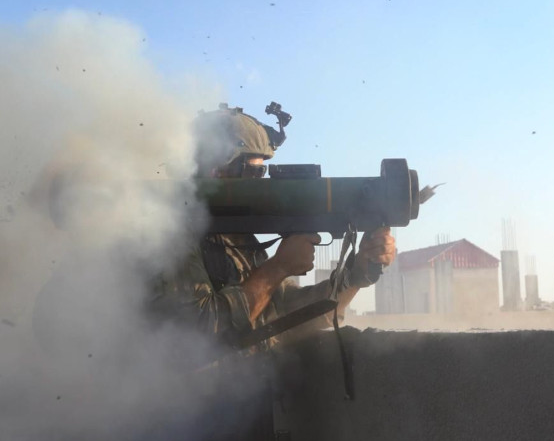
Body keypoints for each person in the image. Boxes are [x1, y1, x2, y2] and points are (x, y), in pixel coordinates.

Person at [151, 103, 396, 344]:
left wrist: (355, 276)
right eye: (253, 173)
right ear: (215, 170)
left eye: (262, 174)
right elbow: (197, 334)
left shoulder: (236, 239)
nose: (260, 183)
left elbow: (287, 314)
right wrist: (277, 268)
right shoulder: (170, 235)